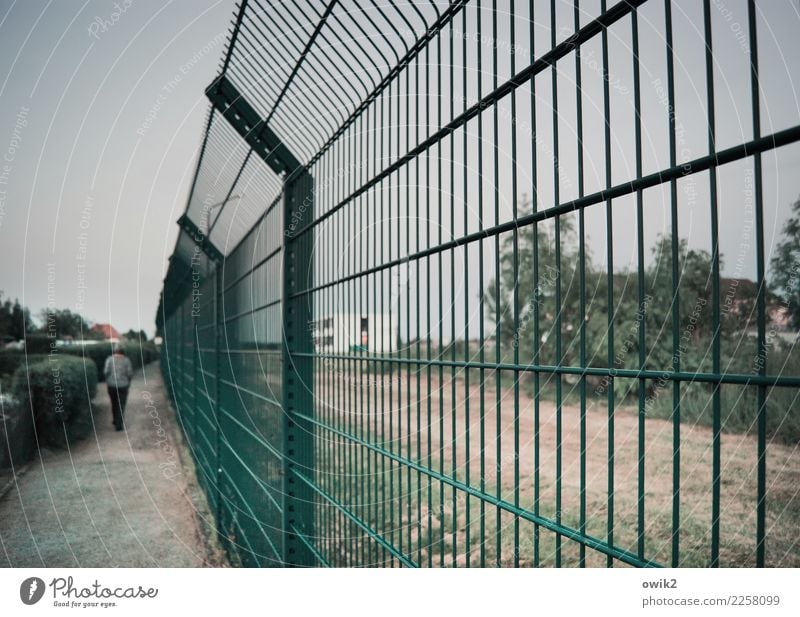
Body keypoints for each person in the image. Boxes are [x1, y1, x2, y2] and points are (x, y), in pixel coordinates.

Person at [104, 344, 134, 431]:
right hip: (123, 385)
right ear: (123, 351)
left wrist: (108, 380)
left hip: (111, 385)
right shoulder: (127, 360)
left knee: (114, 403)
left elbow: (106, 372)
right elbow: (129, 373)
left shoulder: (109, 359)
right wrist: (128, 382)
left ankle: (115, 420)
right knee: (121, 405)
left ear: (114, 351)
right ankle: (119, 425)